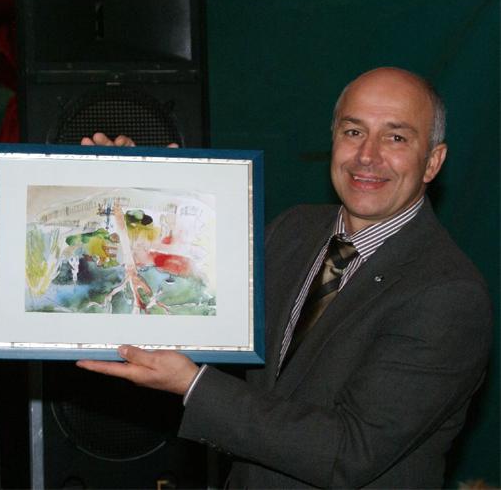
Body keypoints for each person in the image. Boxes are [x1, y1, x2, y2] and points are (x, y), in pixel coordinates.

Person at [77, 67, 492, 487]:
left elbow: (348, 452)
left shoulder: (449, 295)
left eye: (396, 137)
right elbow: (202, 308)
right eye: (353, 132)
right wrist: (138, 184)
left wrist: (193, 385)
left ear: (432, 162)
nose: (368, 155)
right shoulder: (293, 230)